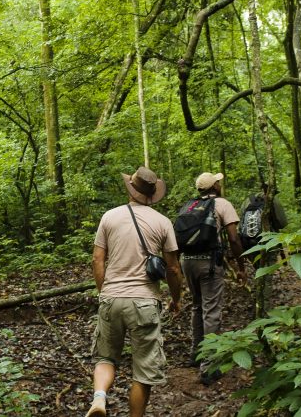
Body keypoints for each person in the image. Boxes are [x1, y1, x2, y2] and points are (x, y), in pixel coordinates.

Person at [86, 166, 183, 417]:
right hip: (144, 301)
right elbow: (172, 268)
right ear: (152, 195)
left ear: (131, 188)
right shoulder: (162, 222)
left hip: (111, 297)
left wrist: (104, 292)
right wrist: (175, 298)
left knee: (106, 358)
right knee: (144, 372)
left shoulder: (109, 217)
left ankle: (99, 399)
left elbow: (98, 260)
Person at [180, 172, 246, 385]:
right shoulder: (222, 204)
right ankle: (209, 366)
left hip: (187, 261)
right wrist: (241, 266)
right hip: (208, 262)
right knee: (212, 310)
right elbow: (234, 238)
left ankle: (195, 354)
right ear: (215, 187)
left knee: (197, 307)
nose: (220, 184)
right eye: (218, 182)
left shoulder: (188, 206)